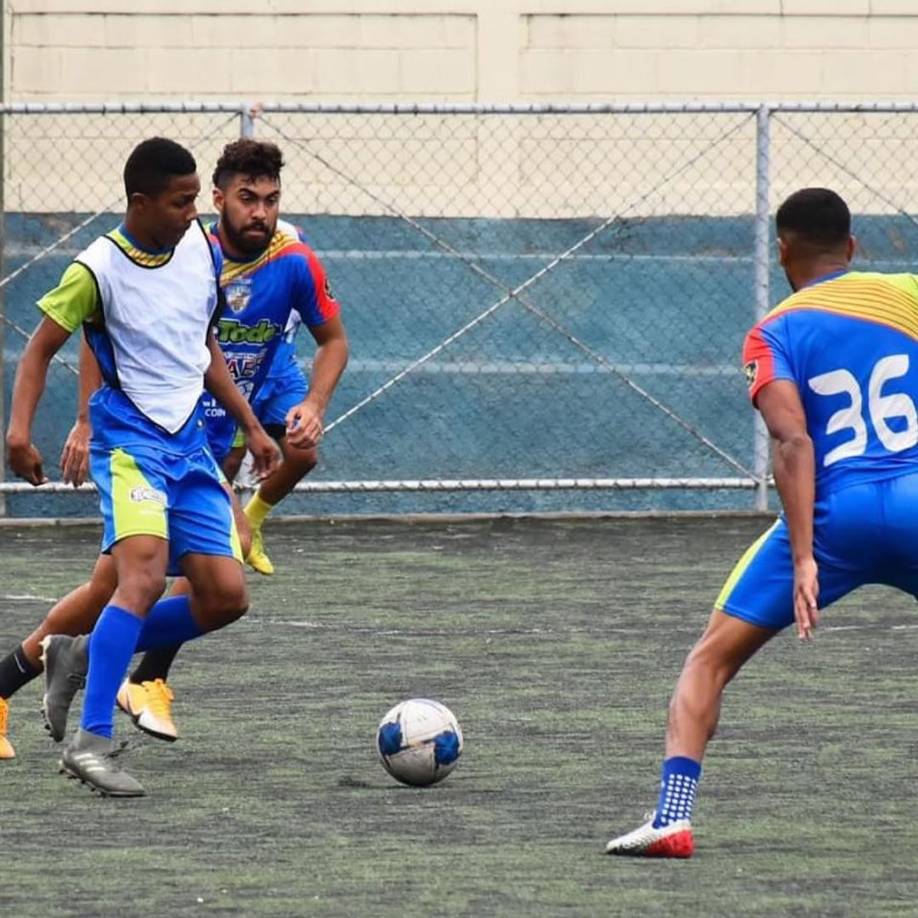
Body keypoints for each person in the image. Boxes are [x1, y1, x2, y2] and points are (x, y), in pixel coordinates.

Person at [0, 138, 347, 758]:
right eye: (246, 198)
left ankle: (110, 668)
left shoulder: (279, 260)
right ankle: (82, 683)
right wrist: (82, 419)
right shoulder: (156, 252)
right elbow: (99, 332)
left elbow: (251, 349)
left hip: (198, 443)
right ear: (218, 199)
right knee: (127, 586)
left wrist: (272, 424)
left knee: (194, 582)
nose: (260, 212)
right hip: (146, 441)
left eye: (270, 200)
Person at [606, 187, 918, 857]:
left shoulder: (772, 331)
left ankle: (672, 818)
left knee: (709, 659)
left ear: (781, 252)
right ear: (853, 246)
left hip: (833, 518)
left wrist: (806, 557)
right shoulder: (908, 294)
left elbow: (792, 442)